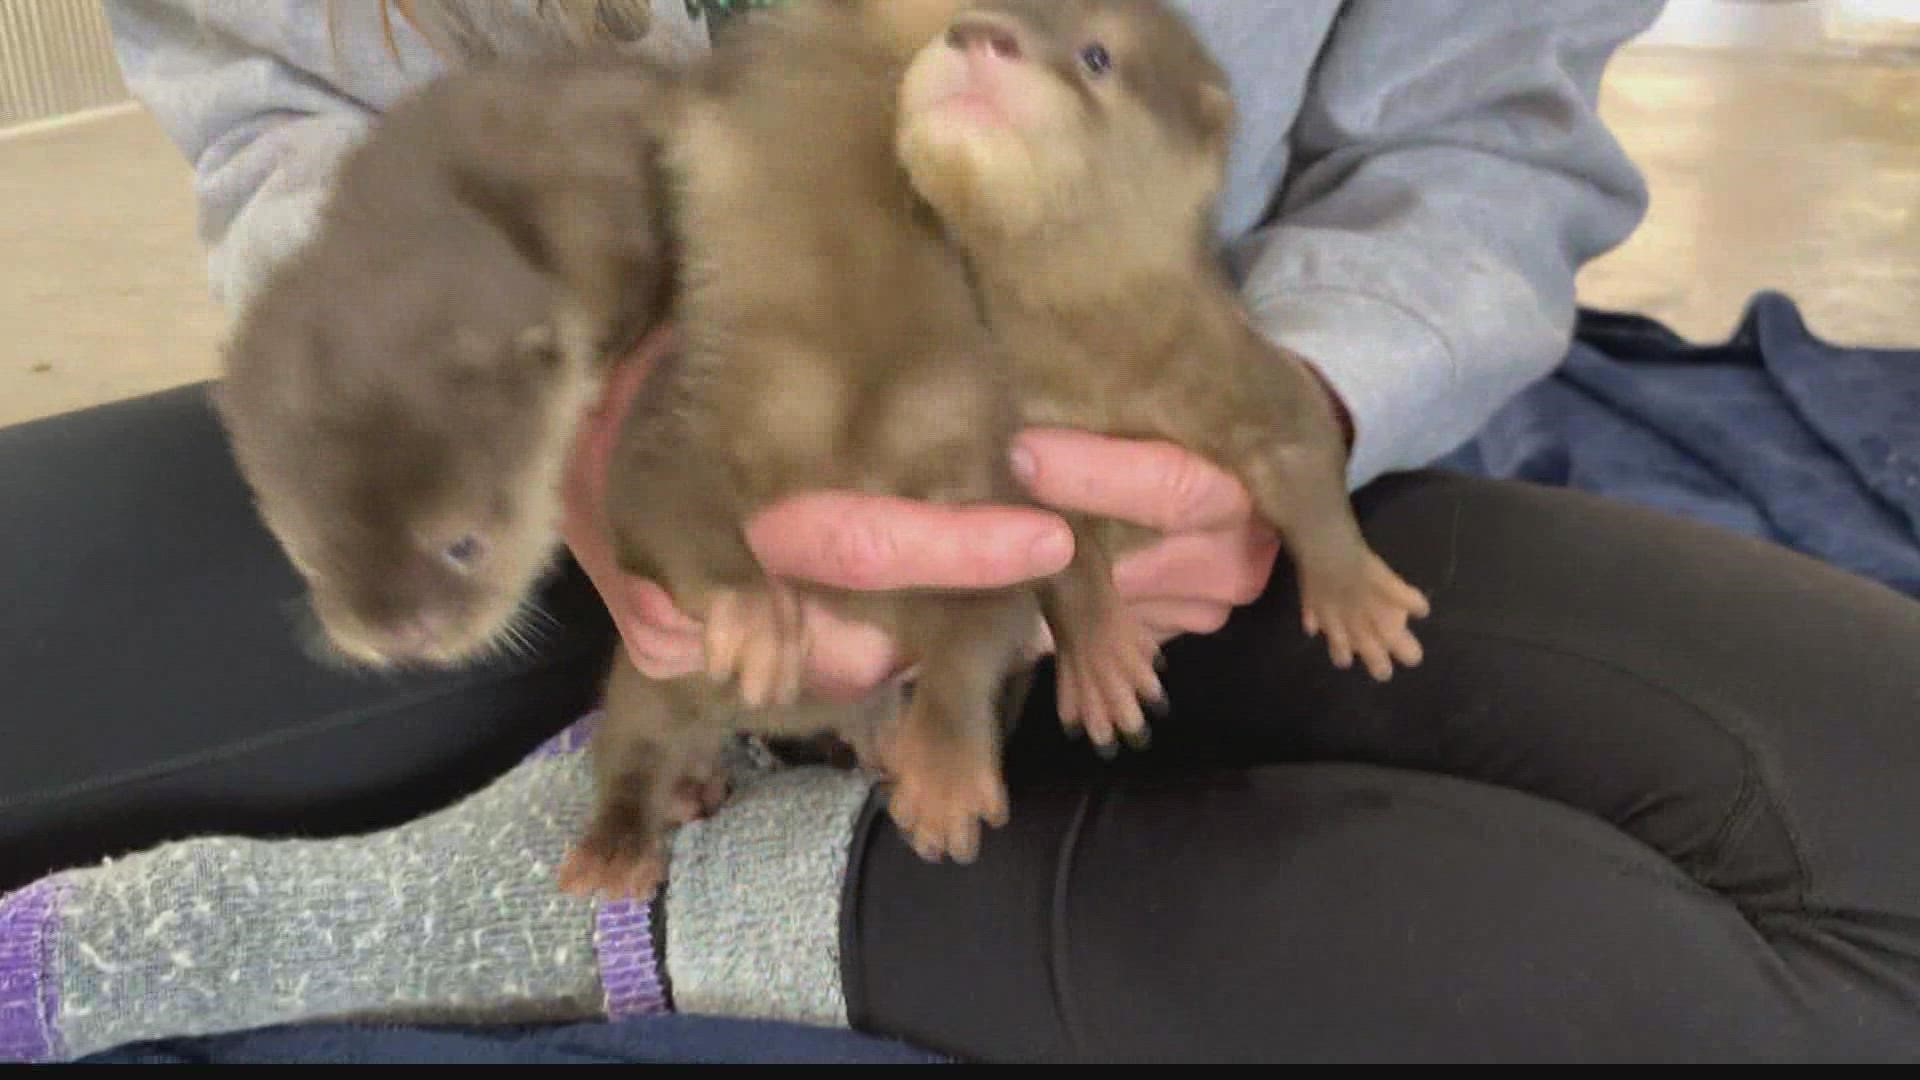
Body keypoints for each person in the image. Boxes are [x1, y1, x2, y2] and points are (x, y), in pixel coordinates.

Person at [4, 0, 1917, 1063]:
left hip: (1110, 494)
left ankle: (669, 889)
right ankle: (635, 838)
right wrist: (558, 417)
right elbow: (290, 107)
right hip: (532, 466)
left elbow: (1482, 133)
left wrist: (1297, 412)